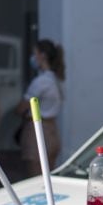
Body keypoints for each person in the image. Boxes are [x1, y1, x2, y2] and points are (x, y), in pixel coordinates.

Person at [15, 39, 65, 177]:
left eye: (34, 53)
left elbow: (21, 107)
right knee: (48, 177)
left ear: (42, 56)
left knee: (36, 179)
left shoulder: (41, 81)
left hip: (38, 130)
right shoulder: (57, 79)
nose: (32, 57)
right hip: (52, 130)